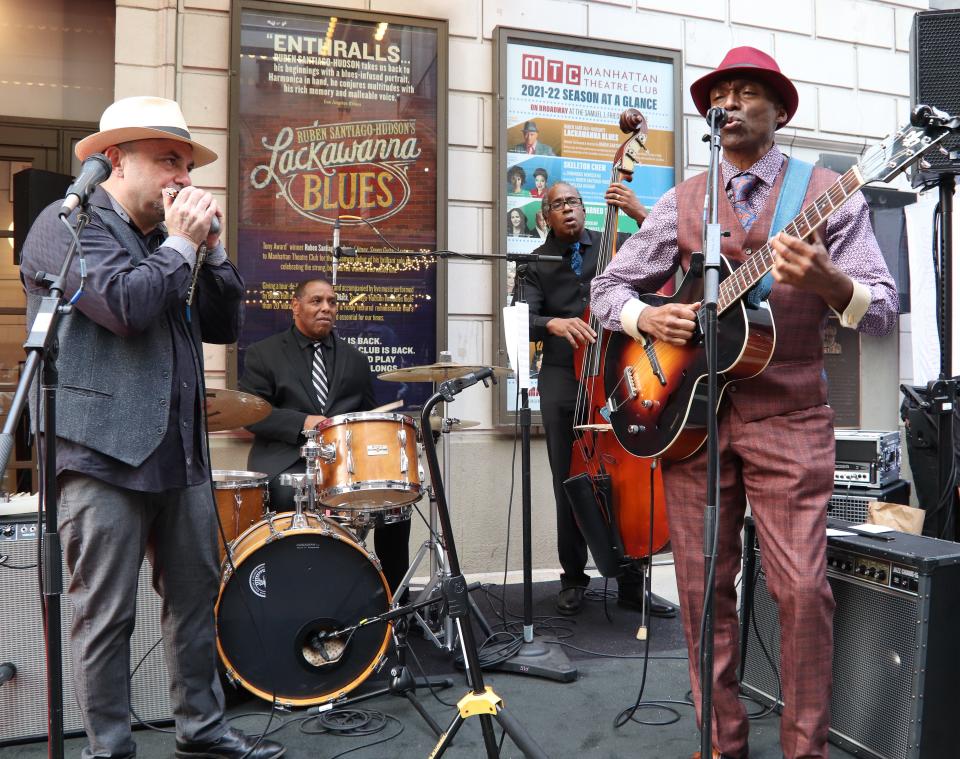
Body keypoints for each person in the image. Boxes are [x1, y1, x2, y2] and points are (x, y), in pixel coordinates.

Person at [591, 47, 898, 759]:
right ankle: (719, 743)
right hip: (691, 420)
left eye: (745, 92)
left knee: (802, 592)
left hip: (789, 413)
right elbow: (609, 290)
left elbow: (881, 310)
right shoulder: (684, 199)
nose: (726, 103)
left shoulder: (829, 191)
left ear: (780, 111)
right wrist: (647, 320)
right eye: (718, 93)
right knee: (703, 592)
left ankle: (804, 748)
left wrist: (830, 283)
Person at [20, 96, 283, 759]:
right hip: (99, 449)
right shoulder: (66, 224)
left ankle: (201, 727)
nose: (183, 178)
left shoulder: (170, 238)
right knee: (106, 614)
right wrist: (183, 243)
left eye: (187, 164)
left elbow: (223, 326)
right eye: (169, 159)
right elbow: (127, 306)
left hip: (178, 450)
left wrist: (213, 253)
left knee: (194, 600)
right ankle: (108, 747)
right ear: (116, 158)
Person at [514, 180, 677, 619]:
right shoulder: (534, 261)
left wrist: (642, 212)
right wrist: (553, 323)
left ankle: (631, 583)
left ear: (585, 209)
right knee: (569, 478)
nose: (568, 210)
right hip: (564, 377)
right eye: (558, 205)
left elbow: (669, 259)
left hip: (620, 374)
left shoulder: (618, 244)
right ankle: (573, 578)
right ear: (544, 215)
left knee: (629, 474)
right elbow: (522, 316)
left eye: (574, 202)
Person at [239, 277, 411, 593]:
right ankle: (294, 594)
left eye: (332, 302)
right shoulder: (264, 354)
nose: (326, 308)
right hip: (287, 462)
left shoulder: (355, 359)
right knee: (288, 495)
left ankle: (392, 601)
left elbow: (369, 418)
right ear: (295, 306)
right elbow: (252, 414)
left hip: (344, 466)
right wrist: (304, 422)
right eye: (316, 301)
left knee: (395, 504)